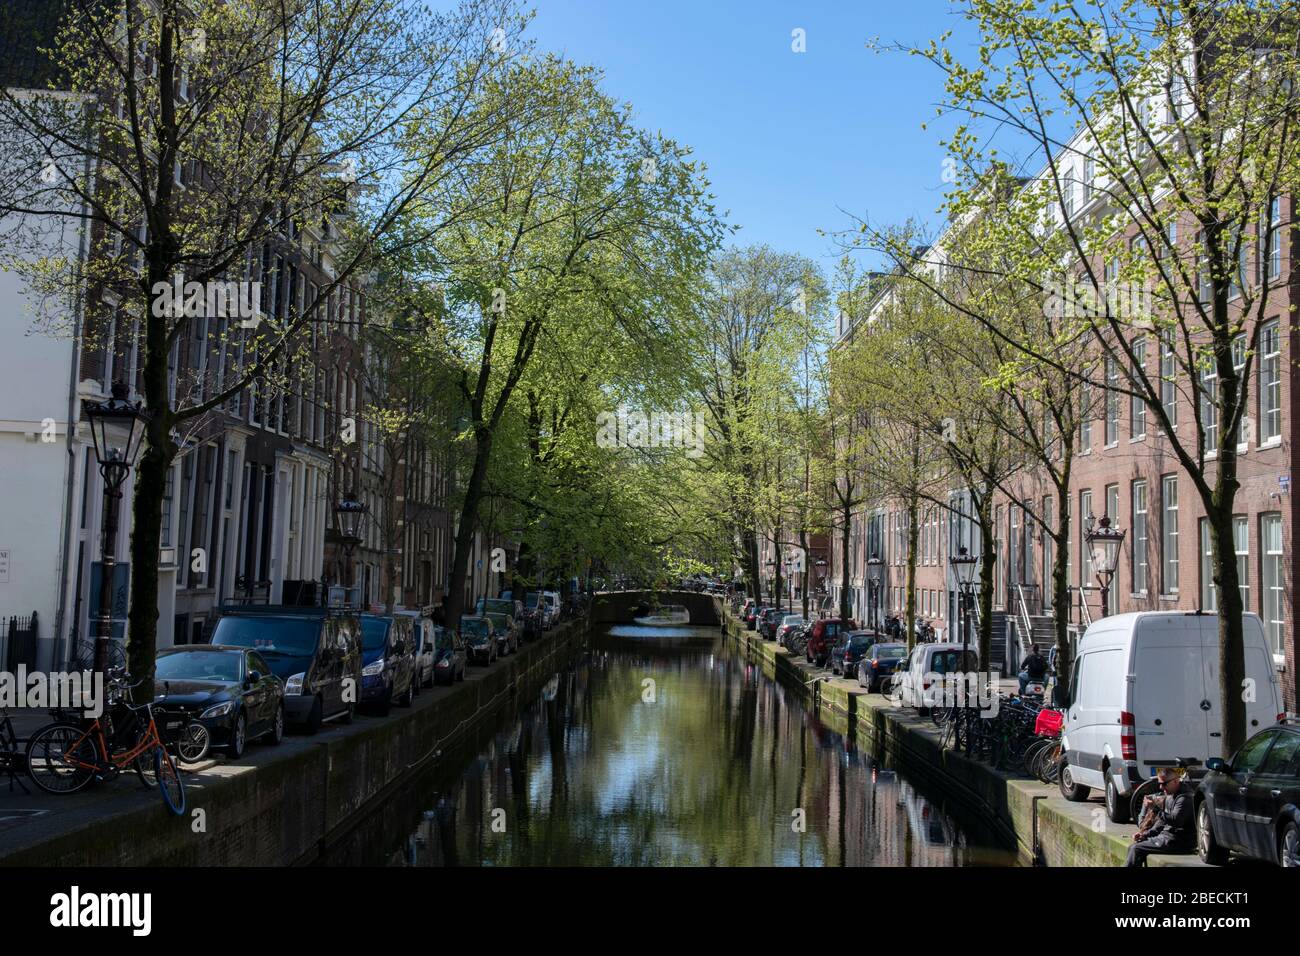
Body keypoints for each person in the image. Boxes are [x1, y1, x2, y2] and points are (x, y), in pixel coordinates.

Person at [1125, 768, 1195, 866]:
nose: (1161, 787)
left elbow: (1176, 821)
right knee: (1133, 846)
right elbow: (1161, 823)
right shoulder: (1170, 795)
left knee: (1136, 849)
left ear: (1175, 781)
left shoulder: (1185, 798)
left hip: (1178, 841)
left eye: (1164, 783)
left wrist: (1156, 808)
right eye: (1160, 784)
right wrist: (1145, 834)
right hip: (1166, 837)